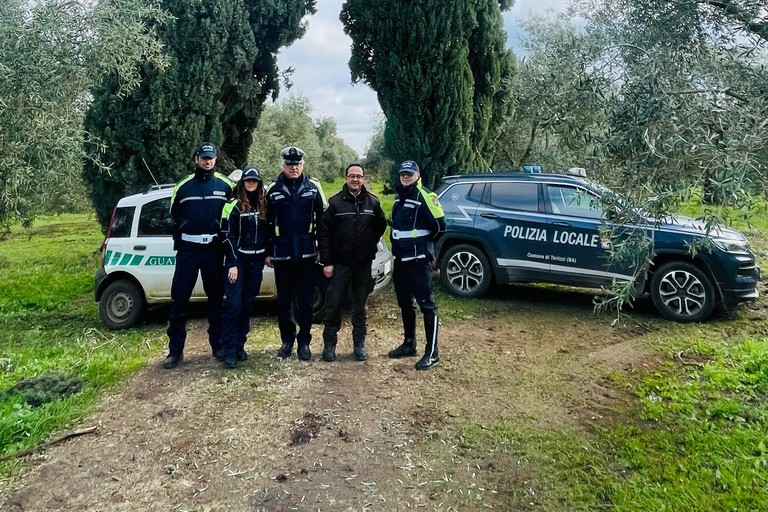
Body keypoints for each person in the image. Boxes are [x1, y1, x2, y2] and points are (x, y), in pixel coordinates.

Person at [164, 142, 235, 369]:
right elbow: (173, 215)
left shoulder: (226, 186)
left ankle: (218, 346)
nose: (207, 161)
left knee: (216, 300)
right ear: (196, 159)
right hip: (188, 252)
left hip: (213, 251)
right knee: (179, 301)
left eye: (211, 157)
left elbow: (234, 214)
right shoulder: (183, 187)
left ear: (216, 159)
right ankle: (175, 351)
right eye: (204, 157)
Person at [317, 163, 387, 362]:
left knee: (360, 306)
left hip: (363, 265)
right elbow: (323, 234)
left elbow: (380, 226)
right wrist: (327, 262)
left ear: (363, 178)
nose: (355, 179)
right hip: (340, 264)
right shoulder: (335, 203)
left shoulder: (373, 203)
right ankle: (329, 344)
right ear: (345, 178)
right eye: (351, 176)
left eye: (359, 176)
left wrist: (370, 245)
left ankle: (359, 344)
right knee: (334, 303)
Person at [265, 146, 326, 361]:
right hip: (281, 254)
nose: (293, 168)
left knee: (306, 301)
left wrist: (323, 250)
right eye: (290, 164)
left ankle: (304, 342)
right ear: (283, 165)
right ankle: (287, 340)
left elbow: (323, 221)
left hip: (307, 254)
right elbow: (267, 222)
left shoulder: (313, 187)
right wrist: (267, 252)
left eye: (297, 164)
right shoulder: (272, 189)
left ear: (303, 165)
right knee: (284, 301)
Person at [387, 160, 445, 370]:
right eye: (403, 174)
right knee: (405, 303)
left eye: (409, 174)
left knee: (427, 306)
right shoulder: (398, 197)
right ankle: (409, 344)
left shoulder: (426, 196)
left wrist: (423, 248)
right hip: (401, 260)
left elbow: (440, 227)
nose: (405, 177)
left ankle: (432, 353)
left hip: (419, 261)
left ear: (418, 175)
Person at [219, 166, 268, 369]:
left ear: (258, 183)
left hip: (256, 263)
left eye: (254, 181)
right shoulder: (233, 205)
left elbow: (269, 230)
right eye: (248, 180)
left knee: (247, 305)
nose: (251, 183)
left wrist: (268, 254)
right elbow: (225, 234)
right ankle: (228, 350)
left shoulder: (264, 205)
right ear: (242, 183)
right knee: (234, 306)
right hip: (237, 263)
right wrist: (232, 262)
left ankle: (240, 346)